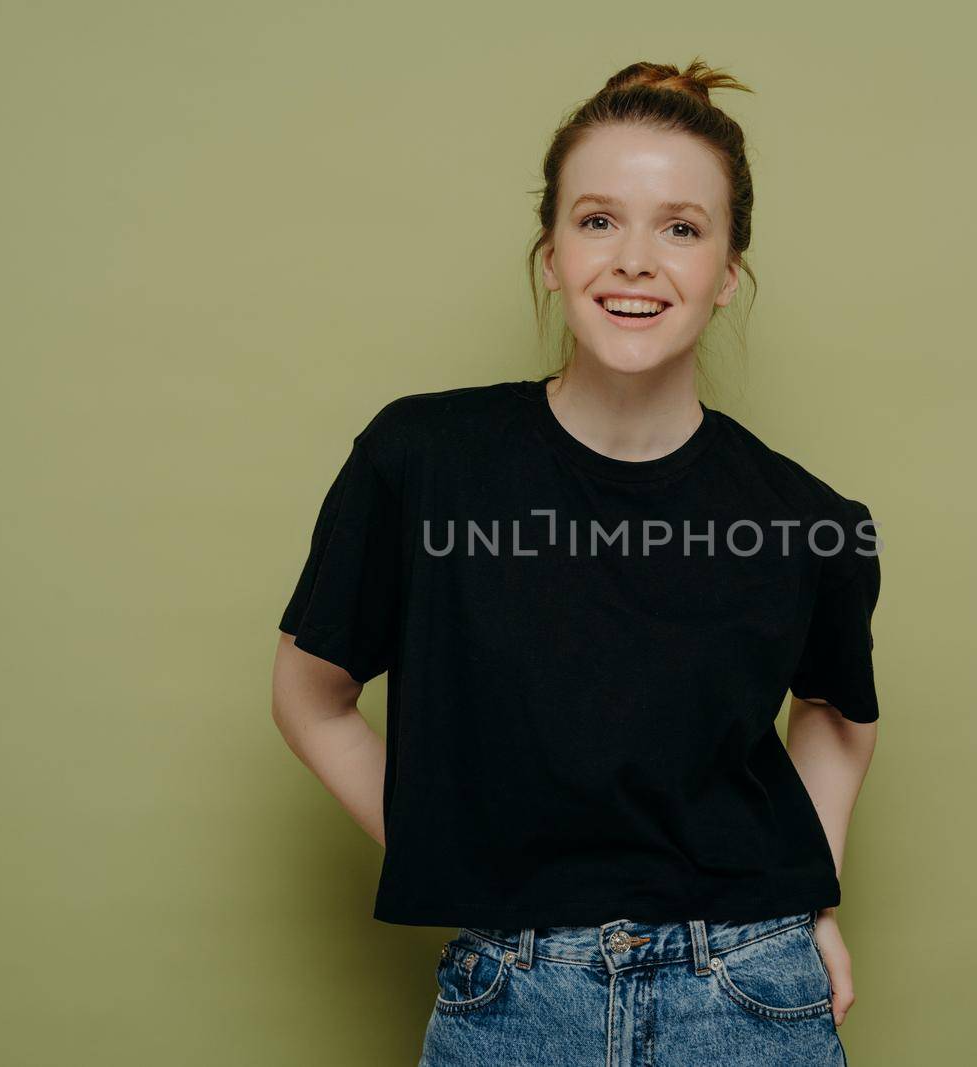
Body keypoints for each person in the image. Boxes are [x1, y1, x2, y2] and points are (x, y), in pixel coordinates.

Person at [270, 58, 882, 1067]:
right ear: (550, 253)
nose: (635, 259)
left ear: (727, 270)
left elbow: (835, 716)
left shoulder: (806, 518)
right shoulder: (423, 464)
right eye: (598, 220)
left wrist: (806, 897)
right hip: (510, 996)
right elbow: (309, 694)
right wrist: (450, 848)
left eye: (681, 227)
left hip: (749, 994)